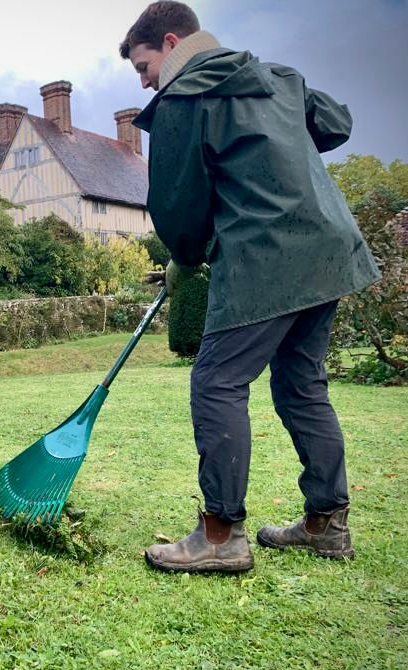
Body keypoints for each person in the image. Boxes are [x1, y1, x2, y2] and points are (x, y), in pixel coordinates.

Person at [120, 1, 381, 573]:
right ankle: (324, 525)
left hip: (267, 256)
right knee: (300, 383)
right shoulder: (277, 77)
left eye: (143, 66)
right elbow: (335, 123)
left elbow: (178, 206)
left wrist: (185, 258)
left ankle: (219, 535)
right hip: (327, 250)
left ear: (171, 43)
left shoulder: (185, 98)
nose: (144, 81)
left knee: (217, 381)